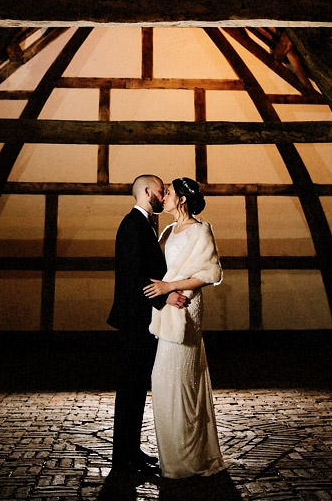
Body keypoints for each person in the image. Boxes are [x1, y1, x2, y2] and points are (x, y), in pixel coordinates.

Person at [142, 176, 226, 479]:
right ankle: (173, 455)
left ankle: (189, 459)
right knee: (163, 381)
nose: (163, 196)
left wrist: (170, 287)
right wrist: (164, 291)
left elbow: (209, 273)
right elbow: (156, 269)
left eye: (169, 194)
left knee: (182, 381)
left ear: (182, 200)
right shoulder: (166, 231)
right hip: (169, 307)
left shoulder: (201, 230)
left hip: (187, 308)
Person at [107, 174, 188, 475]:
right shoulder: (132, 225)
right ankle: (123, 458)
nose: (163, 193)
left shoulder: (144, 224)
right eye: (160, 189)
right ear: (146, 191)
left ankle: (131, 452)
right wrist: (163, 298)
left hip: (142, 319)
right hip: (134, 318)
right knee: (130, 388)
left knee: (137, 388)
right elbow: (131, 275)